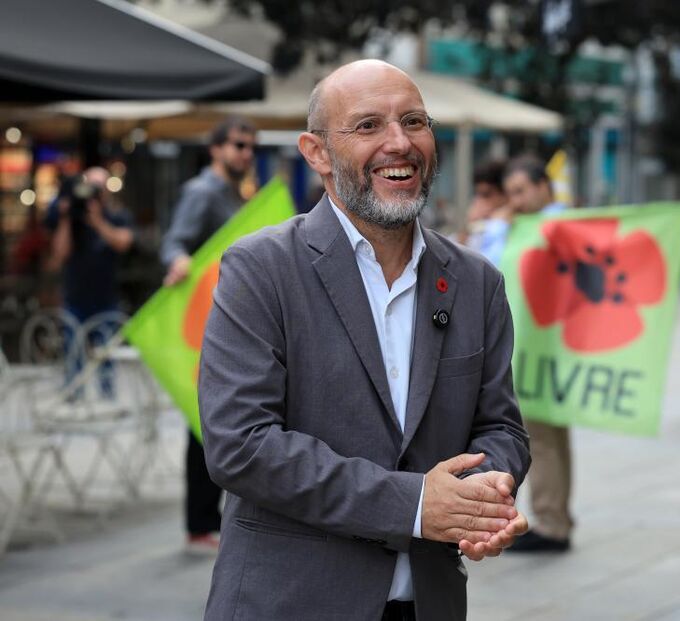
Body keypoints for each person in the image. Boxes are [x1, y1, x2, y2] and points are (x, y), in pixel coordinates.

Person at [198, 59, 530, 621]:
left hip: (428, 604)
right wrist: (419, 505)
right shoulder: (261, 269)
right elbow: (242, 444)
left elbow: (500, 426)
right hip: (290, 603)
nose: (399, 143)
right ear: (317, 152)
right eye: (368, 125)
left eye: (415, 121)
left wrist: (480, 497)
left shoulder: (477, 282)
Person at [160, 116, 257, 553]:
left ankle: (209, 519)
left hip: (231, 321)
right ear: (216, 148)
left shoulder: (236, 194)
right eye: (238, 145)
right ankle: (199, 523)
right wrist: (177, 258)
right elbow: (174, 241)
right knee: (205, 421)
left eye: (250, 146)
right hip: (204, 322)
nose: (245, 153)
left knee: (222, 418)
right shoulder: (202, 192)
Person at [498, 156, 571, 553]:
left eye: (522, 191)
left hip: (544, 348)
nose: (517, 200)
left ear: (545, 186)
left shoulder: (557, 226)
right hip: (540, 346)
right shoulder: (528, 226)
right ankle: (557, 516)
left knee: (540, 437)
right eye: (511, 194)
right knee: (550, 436)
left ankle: (550, 521)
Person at [46, 167, 134, 391]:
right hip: (75, 298)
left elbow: (124, 243)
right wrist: (67, 217)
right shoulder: (71, 218)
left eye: (99, 188)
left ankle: (107, 397)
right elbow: (59, 254)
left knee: (105, 356)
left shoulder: (116, 215)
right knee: (72, 353)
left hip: (106, 298)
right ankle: (74, 397)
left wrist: (98, 222)